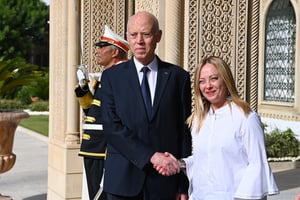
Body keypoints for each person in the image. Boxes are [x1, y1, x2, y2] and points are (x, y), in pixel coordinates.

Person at [155, 55, 280, 200]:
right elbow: (206, 159)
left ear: (225, 80)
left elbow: (257, 164)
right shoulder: (198, 119)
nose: (207, 86)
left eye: (214, 78)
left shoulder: (246, 117)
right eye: (202, 81)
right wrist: (179, 163)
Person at [98, 11, 192, 199]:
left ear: (158, 36)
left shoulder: (178, 77)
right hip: (122, 182)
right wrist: (151, 156)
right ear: (128, 38)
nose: (139, 41)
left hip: (164, 182)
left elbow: (183, 133)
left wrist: (182, 183)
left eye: (146, 34)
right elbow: (111, 127)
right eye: (134, 35)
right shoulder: (112, 77)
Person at [76, 25, 129, 200]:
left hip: (103, 149)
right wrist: (84, 90)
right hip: (94, 149)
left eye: (101, 47)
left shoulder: (119, 75)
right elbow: (93, 113)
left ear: (114, 52)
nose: (97, 51)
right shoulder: (108, 75)